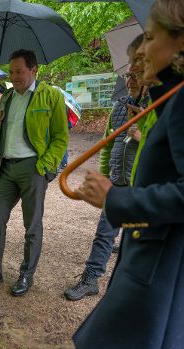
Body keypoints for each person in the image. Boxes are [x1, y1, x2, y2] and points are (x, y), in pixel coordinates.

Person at [72, 1, 184, 349]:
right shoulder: (168, 99)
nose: (140, 52)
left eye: (150, 38)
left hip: (158, 278)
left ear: (180, 43)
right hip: (150, 271)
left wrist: (115, 198)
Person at [0, 49, 68, 296]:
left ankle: (26, 275)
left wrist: (44, 166)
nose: (14, 76)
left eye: (19, 71)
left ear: (34, 69)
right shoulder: (7, 98)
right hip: (6, 168)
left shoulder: (50, 97)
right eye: (11, 71)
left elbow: (60, 137)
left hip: (32, 167)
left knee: (32, 225)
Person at [64, 35, 148, 301]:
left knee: (137, 238)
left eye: (135, 75)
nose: (129, 81)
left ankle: (130, 290)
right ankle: (91, 279)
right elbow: (108, 145)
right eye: (127, 76)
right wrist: (104, 174)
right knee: (104, 233)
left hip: (141, 185)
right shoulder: (120, 107)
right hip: (117, 180)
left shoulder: (158, 108)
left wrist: (142, 137)